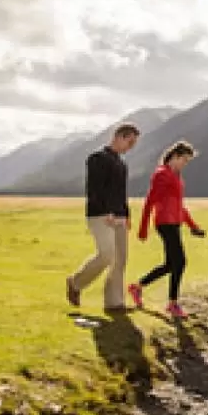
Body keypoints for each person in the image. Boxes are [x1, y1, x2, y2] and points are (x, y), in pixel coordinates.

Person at [65, 122, 140, 311]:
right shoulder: (97, 158)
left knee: (120, 259)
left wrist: (126, 215)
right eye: (130, 143)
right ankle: (75, 283)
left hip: (120, 217)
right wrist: (107, 212)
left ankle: (115, 303)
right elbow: (94, 190)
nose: (131, 148)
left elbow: (121, 193)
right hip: (100, 215)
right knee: (107, 255)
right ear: (120, 137)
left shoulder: (122, 164)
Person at [128, 141, 206, 319]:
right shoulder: (162, 174)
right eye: (185, 160)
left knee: (171, 264)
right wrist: (143, 228)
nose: (185, 164)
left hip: (175, 223)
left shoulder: (176, 176)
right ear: (175, 156)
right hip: (165, 223)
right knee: (180, 261)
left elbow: (180, 206)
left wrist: (193, 226)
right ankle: (172, 304)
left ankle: (137, 287)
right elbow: (150, 201)